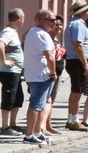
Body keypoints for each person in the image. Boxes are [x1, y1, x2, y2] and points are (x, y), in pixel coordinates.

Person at [22, 9, 61, 145]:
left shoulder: (37, 33)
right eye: (51, 20)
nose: (54, 22)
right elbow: (49, 56)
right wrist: (53, 72)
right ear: (40, 20)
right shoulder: (40, 34)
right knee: (36, 105)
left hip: (38, 74)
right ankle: (29, 135)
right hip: (40, 75)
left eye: (55, 20)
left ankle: (37, 132)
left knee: (42, 105)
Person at [62, 0, 88, 131]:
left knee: (76, 91)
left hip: (76, 61)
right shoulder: (78, 25)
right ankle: (73, 120)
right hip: (78, 61)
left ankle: (72, 119)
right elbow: (78, 44)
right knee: (77, 92)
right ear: (81, 12)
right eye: (87, 10)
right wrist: (85, 63)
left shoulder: (75, 23)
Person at [0, 9, 26, 133]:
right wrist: (4, 61)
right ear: (19, 19)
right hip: (9, 71)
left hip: (15, 71)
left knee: (18, 97)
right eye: (23, 17)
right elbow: (0, 46)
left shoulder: (13, 32)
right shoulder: (8, 32)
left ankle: (13, 124)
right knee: (9, 97)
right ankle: (5, 126)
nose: (24, 20)